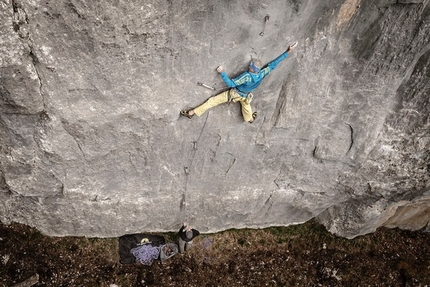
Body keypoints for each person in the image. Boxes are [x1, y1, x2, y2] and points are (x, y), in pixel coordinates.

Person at [181, 42, 298, 123]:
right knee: (246, 106)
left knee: (212, 101)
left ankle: (191, 113)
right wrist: (288, 52)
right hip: (246, 95)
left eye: (250, 65)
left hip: (235, 94)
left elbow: (231, 84)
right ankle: (250, 119)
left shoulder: (247, 76)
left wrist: (222, 72)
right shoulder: (261, 74)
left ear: (251, 68)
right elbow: (273, 65)